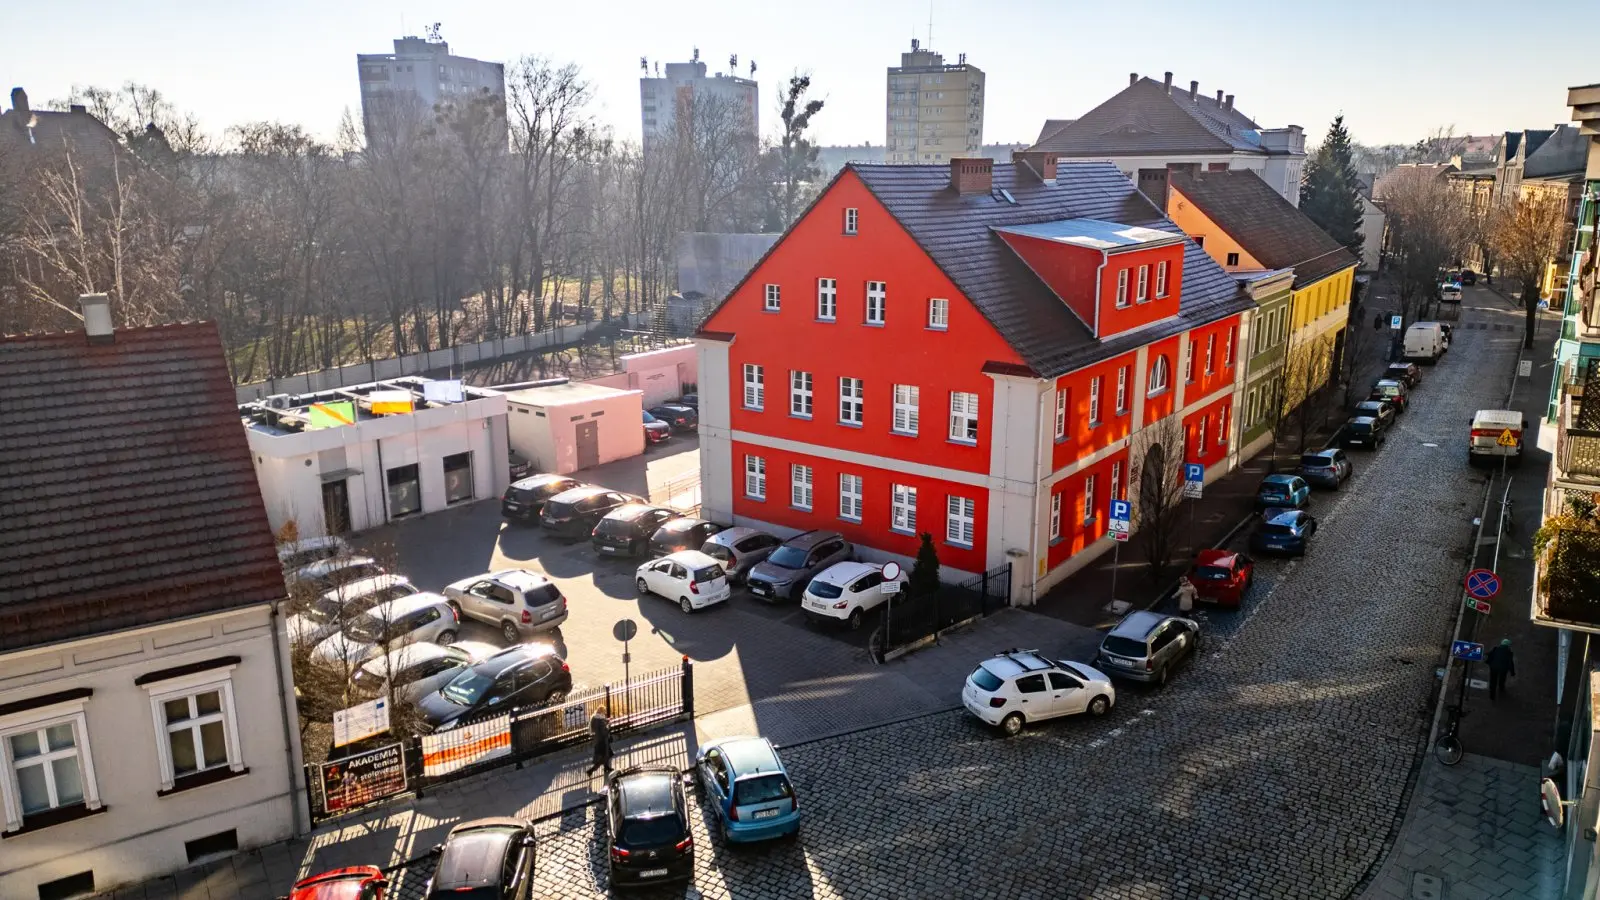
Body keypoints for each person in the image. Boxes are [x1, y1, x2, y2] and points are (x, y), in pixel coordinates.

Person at [586, 710, 612, 777]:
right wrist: (608, 727)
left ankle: (606, 767)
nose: (605, 714)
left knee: (606, 755)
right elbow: (604, 732)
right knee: (603, 757)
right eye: (604, 713)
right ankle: (591, 770)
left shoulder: (595, 719)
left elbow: (599, 728)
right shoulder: (600, 721)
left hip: (598, 741)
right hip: (602, 742)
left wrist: (606, 721)